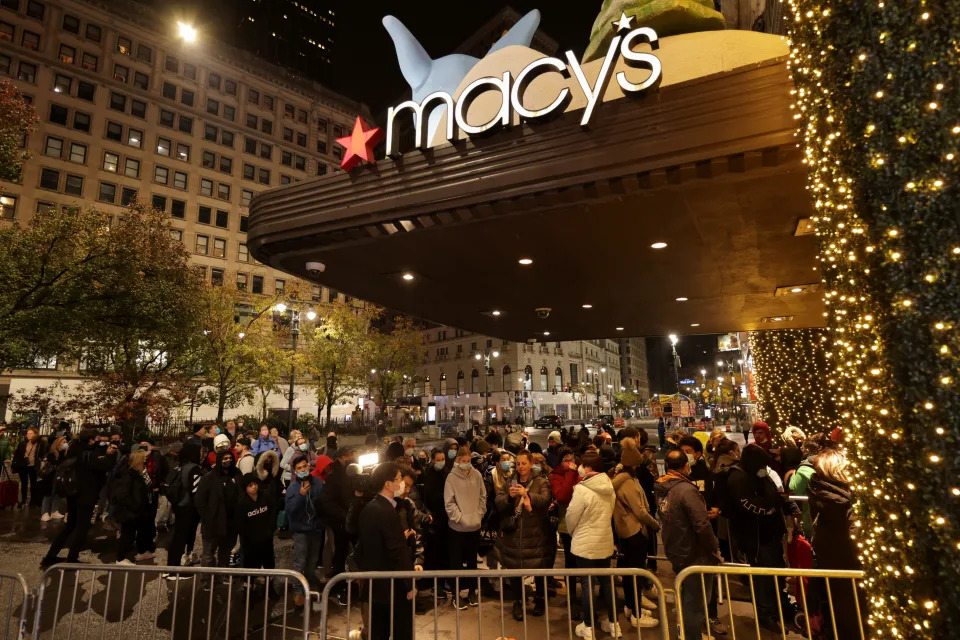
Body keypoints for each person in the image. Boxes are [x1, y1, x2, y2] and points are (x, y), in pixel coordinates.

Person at [724, 444, 797, 631]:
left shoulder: (755, 474)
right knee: (763, 578)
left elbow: (772, 494)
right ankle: (766, 614)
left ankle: (780, 605)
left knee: (776, 572)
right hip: (755, 538)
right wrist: (772, 504)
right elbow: (747, 505)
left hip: (769, 533)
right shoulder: (738, 477)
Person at [655, 449, 722, 640]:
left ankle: (684, 633)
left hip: (675, 547)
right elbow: (701, 525)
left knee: (686, 596)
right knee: (696, 602)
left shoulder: (663, 487)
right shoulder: (686, 490)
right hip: (693, 552)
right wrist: (713, 548)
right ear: (686, 465)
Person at [808, 447, 866, 638]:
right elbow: (855, 537)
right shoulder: (850, 501)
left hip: (829, 564)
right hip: (852, 568)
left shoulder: (817, 491)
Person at [358, 463, 418, 640]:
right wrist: (408, 584)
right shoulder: (386, 511)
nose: (401, 484)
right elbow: (396, 551)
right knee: (401, 631)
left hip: (375, 585)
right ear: (388, 484)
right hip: (393, 588)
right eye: (399, 479)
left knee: (379, 631)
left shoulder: (370, 508)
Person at [41, 430, 118, 567]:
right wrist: (111, 455)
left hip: (73, 493)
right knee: (82, 526)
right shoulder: (88, 455)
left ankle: (51, 555)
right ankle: (72, 557)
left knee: (70, 525)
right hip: (86, 494)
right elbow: (104, 466)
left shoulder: (74, 450)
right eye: (96, 439)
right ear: (90, 440)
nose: (99, 441)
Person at [566, 451, 621, 639]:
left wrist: (573, 532)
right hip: (605, 541)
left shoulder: (582, 489)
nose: (579, 467)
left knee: (587, 584)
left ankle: (588, 626)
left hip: (585, 543)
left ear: (588, 468)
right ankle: (614, 624)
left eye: (582, 464)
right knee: (606, 582)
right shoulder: (608, 486)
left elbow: (571, 516)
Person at [494, 450, 551, 620]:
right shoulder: (510, 481)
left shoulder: (540, 481)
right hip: (515, 533)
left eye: (523, 463)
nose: (520, 467)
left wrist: (528, 495)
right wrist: (509, 498)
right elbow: (498, 502)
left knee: (538, 567)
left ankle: (540, 599)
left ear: (531, 463)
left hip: (535, 532)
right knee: (515, 567)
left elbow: (545, 500)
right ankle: (518, 601)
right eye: (517, 464)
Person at [613, 441, 661, 629]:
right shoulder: (626, 482)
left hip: (627, 530)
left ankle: (629, 607)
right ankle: (636, 613)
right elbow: (639, 511)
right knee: (634, 572)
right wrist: (655, 524)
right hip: (633, 530)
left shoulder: (624, 479)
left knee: (629, 571)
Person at [444, 446, 486, 609]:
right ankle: (456, 594)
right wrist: (460, 519)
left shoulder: (477, 475)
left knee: (472, 562)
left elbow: (483, 496)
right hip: (457, 529)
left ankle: (472, 591)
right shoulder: (451, 478)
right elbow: (449, 503)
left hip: (474, 527)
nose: (466, 464)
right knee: (456, 562)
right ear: (458, 461)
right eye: (463, 461)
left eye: (468, 461)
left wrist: (479, 514)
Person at [286, 454, 325, 606]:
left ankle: (310, 584)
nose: (303, 470)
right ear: (295, 471)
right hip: (301, 530)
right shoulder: (293, 488)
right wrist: (301, 496)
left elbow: (322, 503)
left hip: (315, 528)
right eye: (299, 468)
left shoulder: (317, 483)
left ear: (309, 466)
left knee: (312, 560)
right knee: (300, 561)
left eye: (304, 466)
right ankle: (297, 591)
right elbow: (290, 511)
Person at [194, 448, 241, 567]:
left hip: (231, 524)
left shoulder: (236, 474)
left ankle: (222, 577)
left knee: (225, 553)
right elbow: (200, 501)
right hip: (213, 523)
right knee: (208, 554)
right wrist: (209, 517)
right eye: (225, 458)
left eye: (230, 458)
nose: (228, 460)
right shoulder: (209, 478)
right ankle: (206, 580)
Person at [321, 446, 356, 604]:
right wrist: (344, 515)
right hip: (341, 523)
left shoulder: (355, 473)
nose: (353, 458)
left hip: (355, 520)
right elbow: (328, 502)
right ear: (342, 457)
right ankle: (339, 586)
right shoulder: (333, 477)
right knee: (340, 553)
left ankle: (358, 581)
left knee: (358, 551)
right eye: (350, 455)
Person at [164, 441, 203, 576]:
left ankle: (172, 566)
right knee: (181, 537)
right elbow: (196, 491)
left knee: (178, 536)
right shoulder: (194, 468)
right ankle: (174, 570)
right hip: (189, 507)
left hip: (178, 505)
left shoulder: (179, 466)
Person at [549, 446, 580, 613]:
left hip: (582, 523)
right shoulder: (556, 475)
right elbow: (563, 495)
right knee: (570, 560)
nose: (570, 463)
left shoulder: (579, 472)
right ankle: (572, 597)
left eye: (572, 459)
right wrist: (570, 474)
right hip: (566, 522)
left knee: (582, 561)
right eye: (566, 460)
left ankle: (584, 596)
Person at [110, 450, 155, 564]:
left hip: (137, 510)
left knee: (133, 533)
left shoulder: (137, 473)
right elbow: (123, 495)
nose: (146, 460)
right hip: (130, 510)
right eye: (143, 458)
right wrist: (135, 506)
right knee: (127, 534)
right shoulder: (129, 474)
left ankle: (132, 553)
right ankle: (120, 558)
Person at [235, 472, 276, 573]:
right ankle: (249, 585)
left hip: (266, 539)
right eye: (250, 485)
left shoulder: (265, 495)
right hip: (250, 543)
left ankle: (269, 584)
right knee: (251, 566)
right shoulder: (242, 503)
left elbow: (273, 512)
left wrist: (270, 530)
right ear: (245, 488)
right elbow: (240, 525)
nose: (254, 487)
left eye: (255, 484)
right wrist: (250, 537)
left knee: (269, 563)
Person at [421, 449, 449, 587]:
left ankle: (443, 581)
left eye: (442, 459)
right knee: (434, 551)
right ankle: (434, 583)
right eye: (438, 460)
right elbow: (427, 497)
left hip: (446, 517)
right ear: (432, 460)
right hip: (434, 517)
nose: (441, 462)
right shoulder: (428, 474)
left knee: (445, 549)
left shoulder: (446, 473)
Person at [12, 427, 45, 508]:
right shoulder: (23, 443)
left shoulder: (39, 444)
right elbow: (17, 454)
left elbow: (42, 454)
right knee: (24, 484)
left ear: (35, 434)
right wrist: (14, 464)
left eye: (30, 433)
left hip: (33, 466)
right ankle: (23, 500)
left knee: (33, 484)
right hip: (23, 466)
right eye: (27, 433)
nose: (28, 435)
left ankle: (33, 501)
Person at [38, 436, 67, 521]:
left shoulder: (65, 454)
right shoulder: (51, 454)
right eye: (63, 442)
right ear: (58, 444)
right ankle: (45, 512)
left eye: (66, 442)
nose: (65, 444)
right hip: (50, 477)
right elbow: (55, 463)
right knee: (48, 494)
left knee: (57, 493)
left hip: (60, 477)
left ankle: (55, 511)